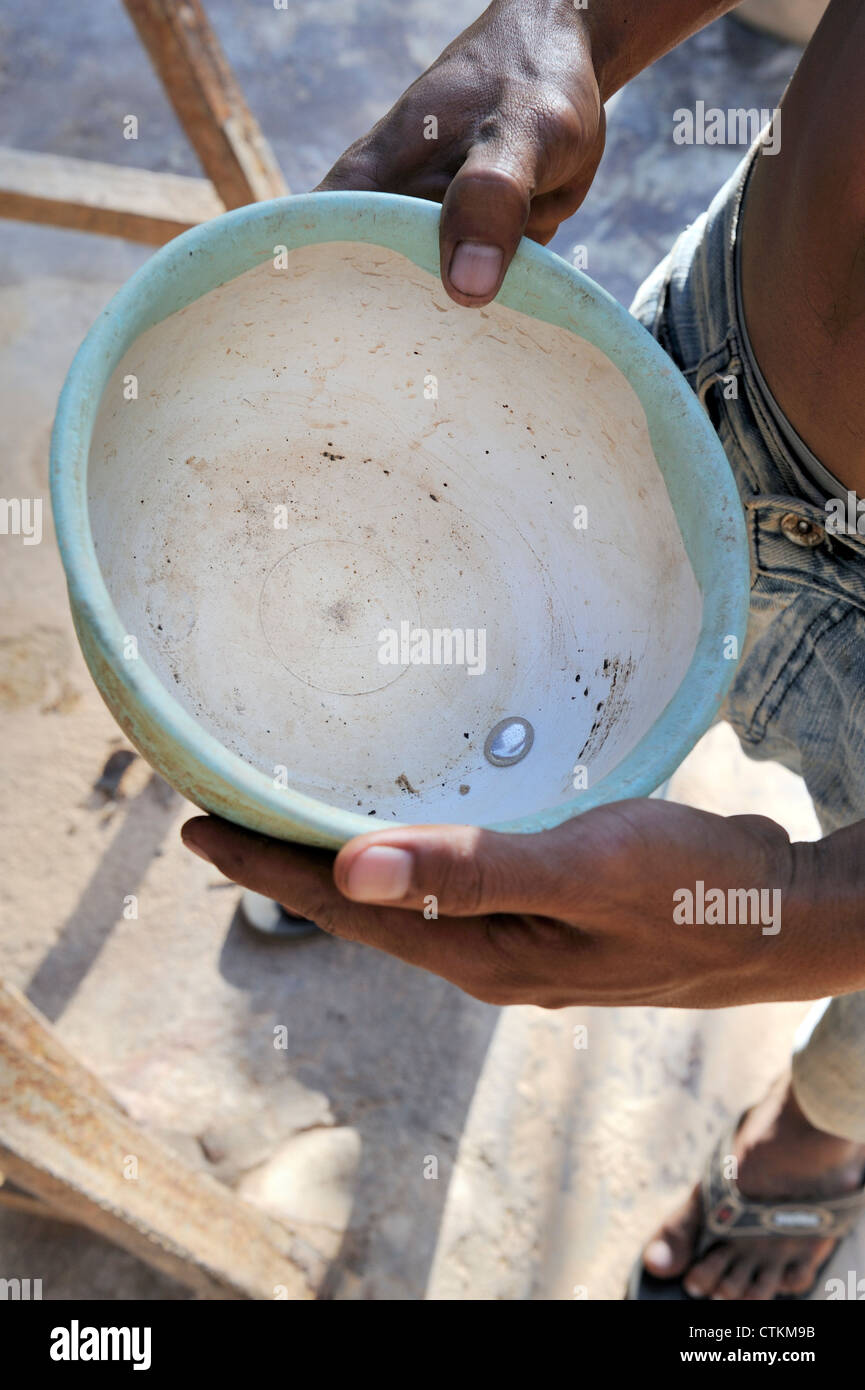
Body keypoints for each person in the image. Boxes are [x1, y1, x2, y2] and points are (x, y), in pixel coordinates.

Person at [181, 0, 865, 1300]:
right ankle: (405, 811)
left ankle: (814, 1132)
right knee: (498, 632)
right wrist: (575, 21)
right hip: (723, 357)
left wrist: (800, 923)